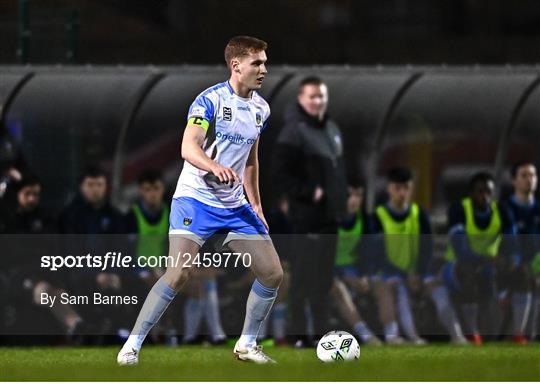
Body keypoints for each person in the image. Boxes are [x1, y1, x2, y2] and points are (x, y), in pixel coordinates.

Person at [117, 36, 282, 365]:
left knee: (273, 273)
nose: (264, 69)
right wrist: (214, 165)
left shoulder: (261, 108)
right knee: (178, 274)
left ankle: (246, 344)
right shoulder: (209, 101)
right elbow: (188, 147)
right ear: (236, 66)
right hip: (196, 199)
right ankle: (131, 346)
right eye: (257, 63)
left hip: (235, 205)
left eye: (265, 62)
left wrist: (258, 205)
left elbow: (251, 161)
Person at [272, 76, 348, 346]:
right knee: (304, 279)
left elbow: (337, 171)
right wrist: (308, 192)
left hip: (330, 218)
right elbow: (280, 174)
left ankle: (322, 335)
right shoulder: (293, 132)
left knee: (324, 281)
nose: (318, 101)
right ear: (301, 99)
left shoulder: (332, 129)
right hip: (306, 218)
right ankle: (299, 335)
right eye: (313, 96)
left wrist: (341, 198)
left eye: (321, 96)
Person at [444, 172, 518, 345]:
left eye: (489, 192)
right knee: (470, 272)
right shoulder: (459, 210)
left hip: (488, 266)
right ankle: (473, 332)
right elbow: (461, 250)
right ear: (471, 193)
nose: (485, 196)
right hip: (454, 266)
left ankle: (513, 332)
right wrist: (489, 260)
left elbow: (513, 244)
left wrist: (511, 260)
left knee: (518, 273)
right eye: (480, 192)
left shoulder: (501, 210)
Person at [370, 167, 429, 345]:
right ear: (389, 189)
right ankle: (400, 335)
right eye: (398, 188)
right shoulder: (378, 217)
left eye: (406, 188)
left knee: (439, 288)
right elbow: (377, 255)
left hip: (415, 274)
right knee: (395, 285)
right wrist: (406, 275)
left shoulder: (420, 215)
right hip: (387, 273)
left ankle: (458, 334)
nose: (402, 193)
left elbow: (427, 250)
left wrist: (418, 273)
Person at [332, 185, 381, 345]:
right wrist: (345, 277)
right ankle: (366, 335)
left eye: (358, 195)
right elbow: (321, 257)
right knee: (337, 288)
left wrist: (364, 276)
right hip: (329, 270)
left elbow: (370, 253)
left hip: (354, 270)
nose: (354, 200)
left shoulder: (365, 220)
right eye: (349, 195)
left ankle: (393, 333)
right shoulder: (330, 220)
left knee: (382, 283)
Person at [502, 161, 539, 343]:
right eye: (524, 175)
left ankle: (529, 336)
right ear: (514, 181)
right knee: (526, 275)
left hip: (535, 265)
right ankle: (519, 333)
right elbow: (510, 240)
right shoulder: (505, 208)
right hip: (509, 266)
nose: (529, 180)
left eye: (532, 175)